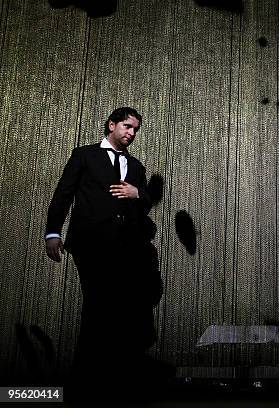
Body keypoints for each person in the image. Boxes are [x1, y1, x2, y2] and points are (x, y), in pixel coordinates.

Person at [45, 107, 160, 387]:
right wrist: (52, 232)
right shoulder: (85, 155)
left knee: (119, 308)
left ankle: (110, 375)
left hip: (126, 248)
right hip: (91, 243)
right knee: (97, 304)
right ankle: (86, 376)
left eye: (135, 129)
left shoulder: (136, 167)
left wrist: (138, 193)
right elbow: (64, 193)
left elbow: (143, 205)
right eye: (127, 126)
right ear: (111, 124)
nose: (131, 133)